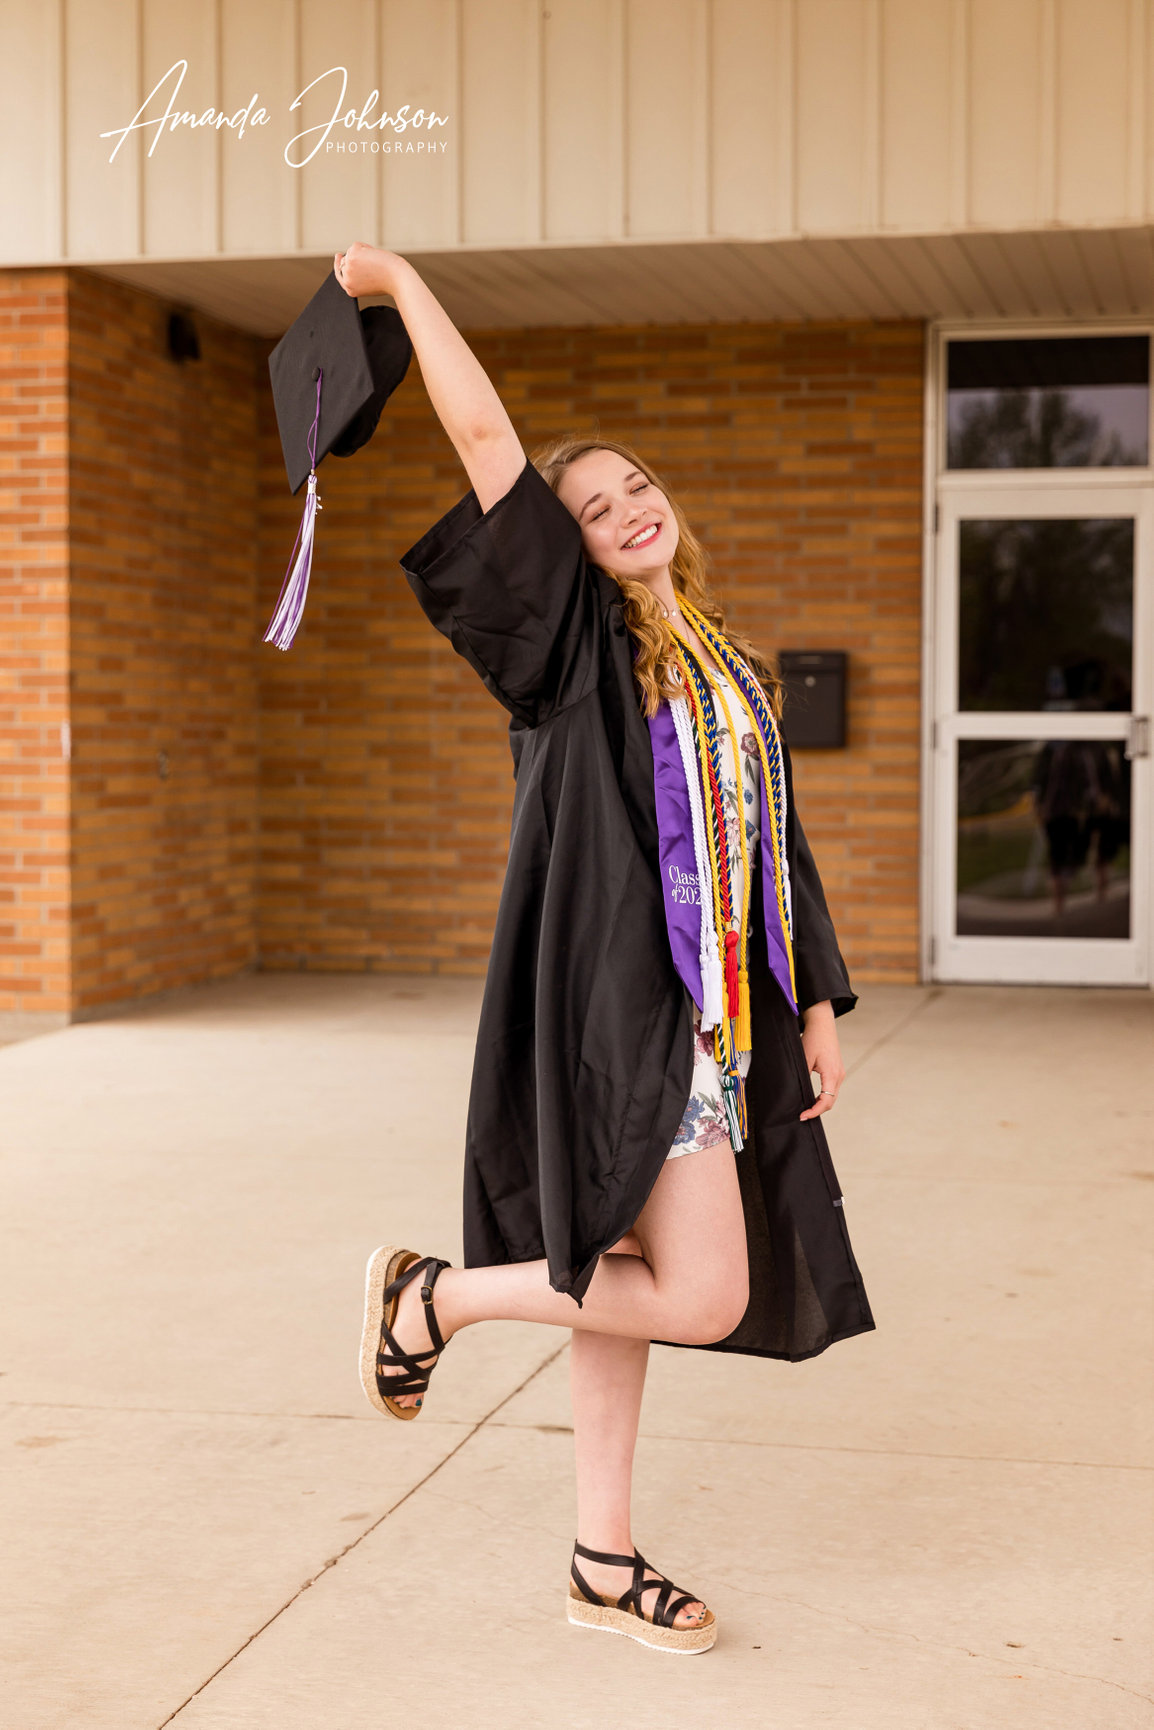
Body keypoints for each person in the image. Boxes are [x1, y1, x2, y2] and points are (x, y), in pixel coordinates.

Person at [336, 242, 876, 1655]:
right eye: (589, 505)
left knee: (621, 1282)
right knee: (700, 1287)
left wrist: (816, 994)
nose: (624, 508)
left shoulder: (721, 658)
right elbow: (484, 439)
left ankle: (599, 1552)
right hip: (617, 1014)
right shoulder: (568, 653)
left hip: (723, 1020)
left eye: (636, 485)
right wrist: (399, 286)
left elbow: (777, 840)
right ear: (555, 547)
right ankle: (433, 1296)